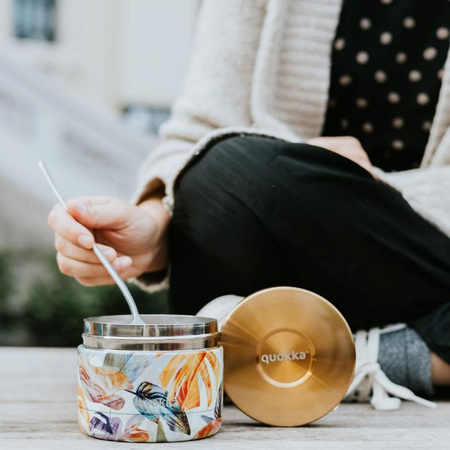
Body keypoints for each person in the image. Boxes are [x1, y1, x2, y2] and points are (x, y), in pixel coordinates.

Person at [47, 0, 450, 406]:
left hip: (427, 265)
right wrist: (155, 228)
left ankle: (333, 360)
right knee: (226, 170)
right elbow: (195, 137)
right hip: (275, 254)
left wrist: (371, 187)